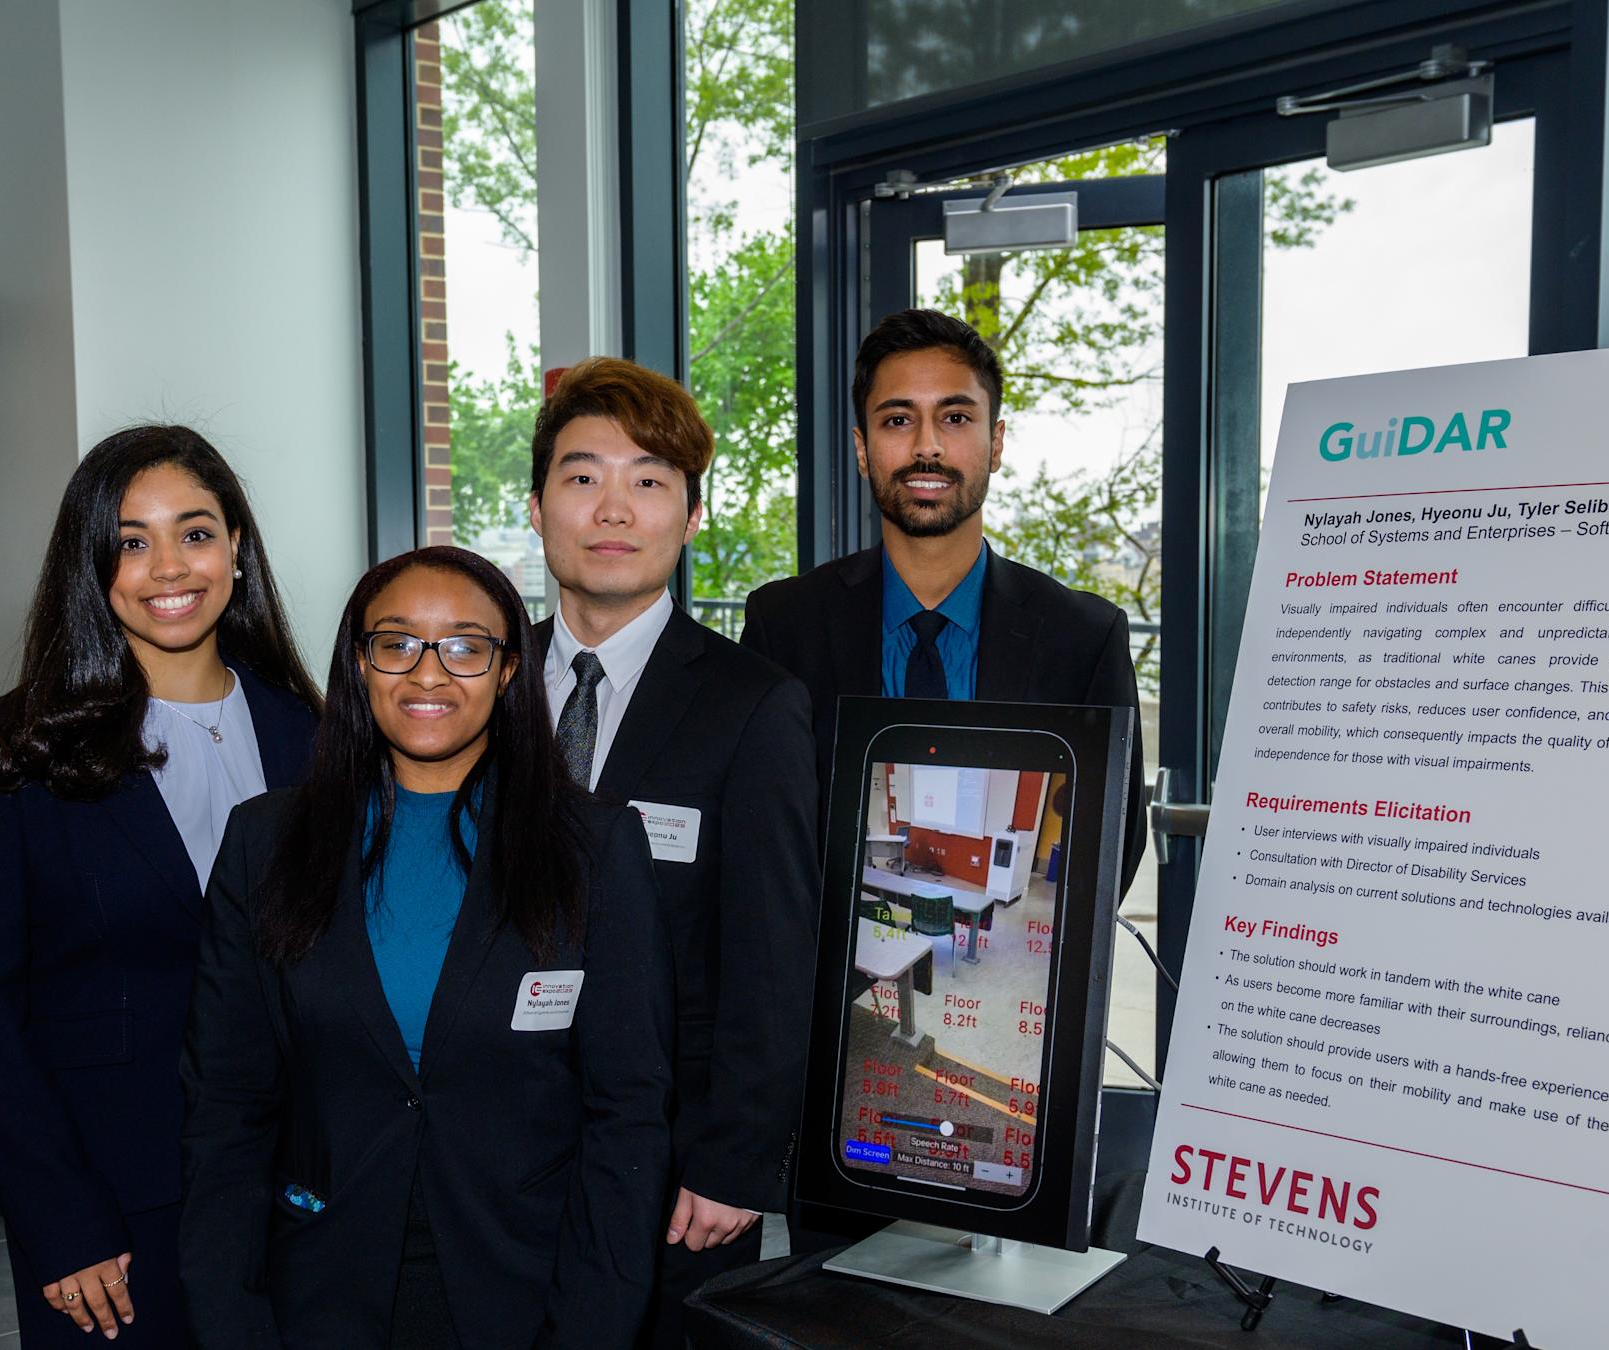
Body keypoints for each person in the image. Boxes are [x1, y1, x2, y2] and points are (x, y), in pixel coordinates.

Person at [179, 546, 673, 1348]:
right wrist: (229, 1318)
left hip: (526, 1288)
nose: (429, 674)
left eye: (466, 646)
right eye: (397, 643)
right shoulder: (265, 843)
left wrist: (594, 1324)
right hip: (316, 1287)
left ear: (510, 670)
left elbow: (628, 1115)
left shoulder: (595, 846)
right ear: (360, 663)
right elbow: (226, 1106)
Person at [0, 425, 320, 1345]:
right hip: (107, 1214)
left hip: (299, 1198)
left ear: (237, 548)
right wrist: (57, 1222)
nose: (167, 567)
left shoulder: (315, 734)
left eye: (195, 532)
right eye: (131, 540)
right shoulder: (13, 747)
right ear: (91, 561)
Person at [525, 357, 819, 1345]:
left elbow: (775, 955)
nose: (613, 508)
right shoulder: (477, 686)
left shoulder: (753, 706)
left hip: (674, 1167)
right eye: (582, 477)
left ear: (690, 518)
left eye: (648, 480)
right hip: (483, 1151)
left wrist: (734, 1162)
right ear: (536, 508)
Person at [741, 307, 1149, 889]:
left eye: (955, 417)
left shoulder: (1084, 637)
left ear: (996, 442)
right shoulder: (783, 625)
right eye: (898, 420)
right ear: (863, 450)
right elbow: (760, 838)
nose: (927, 447)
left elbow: (1112, 847)